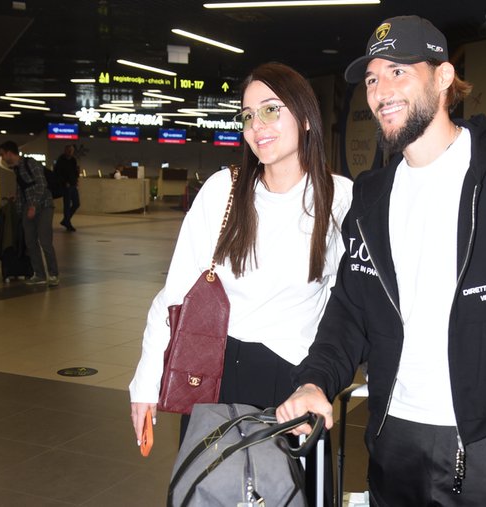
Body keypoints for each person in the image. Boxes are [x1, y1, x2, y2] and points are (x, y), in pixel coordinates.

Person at [277, 15, 486, 507]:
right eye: (372, 79)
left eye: (398, 71)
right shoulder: (371, 196)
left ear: (444, 77)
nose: (381, 91)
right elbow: (349, 311)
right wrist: (312, 380)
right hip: (392, 435)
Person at [129, 62, 353, 505]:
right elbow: (177, 293)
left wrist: (324, 379)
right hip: (216, 376)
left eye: (270, 110)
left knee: (288, 495)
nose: (257, 126)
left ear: (306, 117)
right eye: (248, 115)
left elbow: (349, 307)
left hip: (294, 383)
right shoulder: (224, 191)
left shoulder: (340, 198)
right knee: (211, 492)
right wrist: (146, 382)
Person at [0, 141, 60, 287]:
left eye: (2, 154)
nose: (2, 158)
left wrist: (33, 205)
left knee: (45, 241)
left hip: (43, 206)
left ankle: (53, 274)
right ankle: (39, 274)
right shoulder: (16, 169)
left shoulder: (31, 163)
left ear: (9, 153)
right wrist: (18, 204)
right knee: (30, 242)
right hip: (28, 208)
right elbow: (23, 189)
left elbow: (42, 184)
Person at [54, 144, 80, 231]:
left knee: (76, 203)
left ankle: (66, 220)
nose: (70, 152)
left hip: (73, 184)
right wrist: (64, 182)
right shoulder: (61, 160)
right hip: (66, 186)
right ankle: (67, 222)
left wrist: (76, 180)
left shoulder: (73, 160)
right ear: (65, 150)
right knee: (67, 205)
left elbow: (74, 171)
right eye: (69, 150)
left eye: (72, 151)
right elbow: (57, 173)